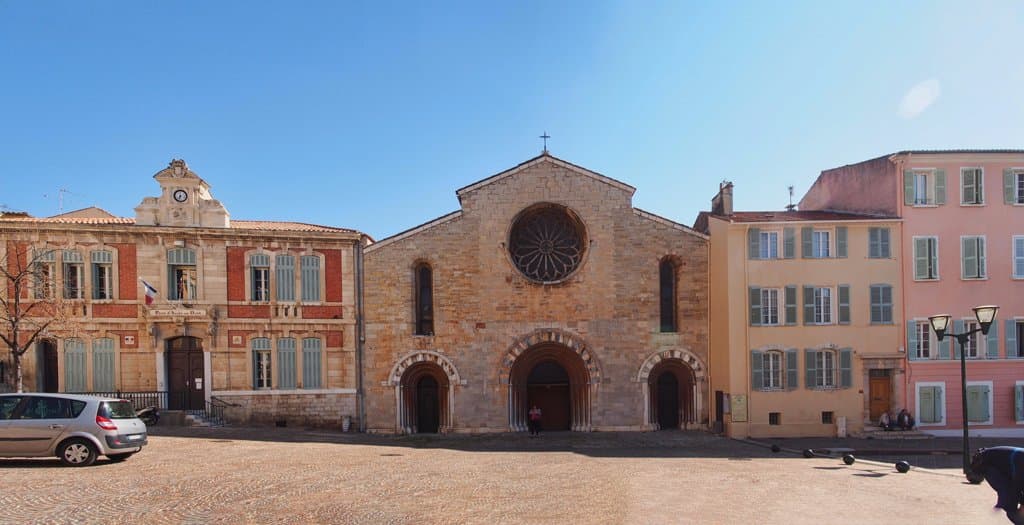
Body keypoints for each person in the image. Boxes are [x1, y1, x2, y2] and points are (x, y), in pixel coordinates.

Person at [970, 447, 1024, 524]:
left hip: (1007, 465)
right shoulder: (1021, 464)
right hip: (986, 463)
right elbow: (1015, 487)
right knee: (1010, 500)